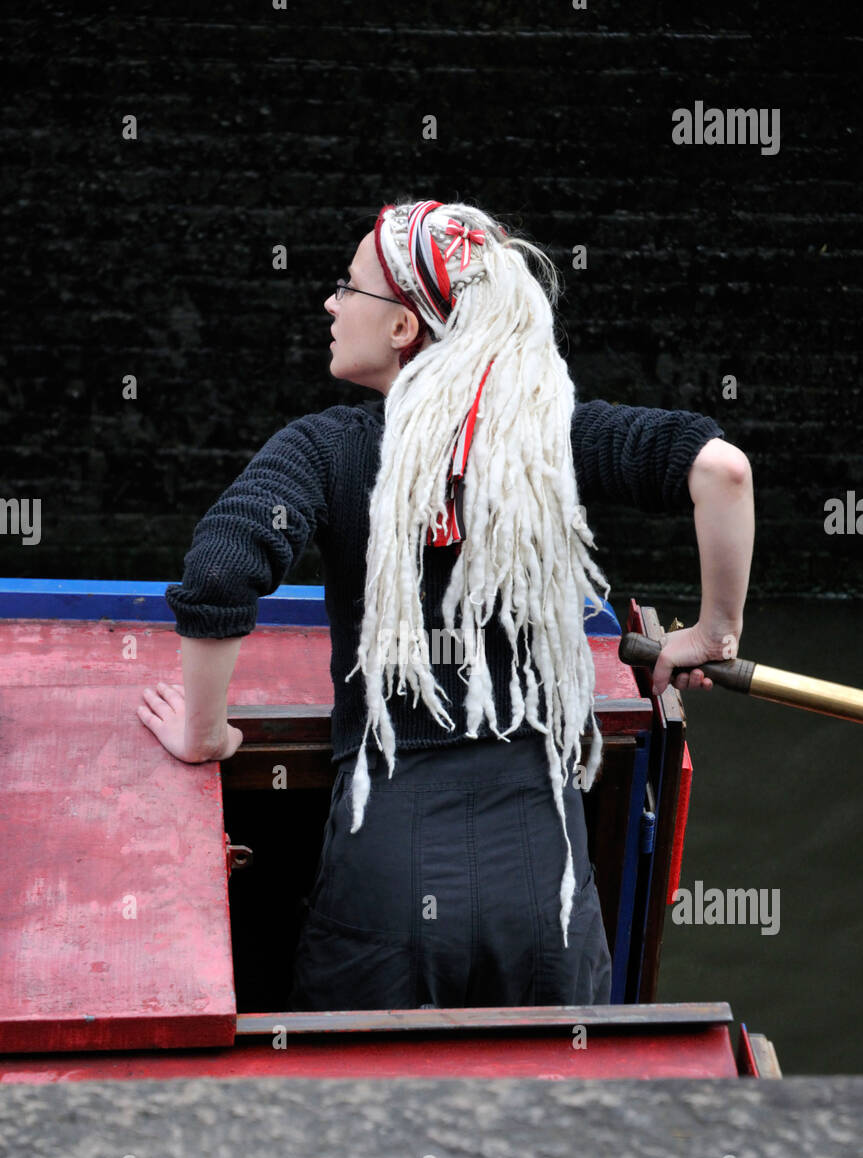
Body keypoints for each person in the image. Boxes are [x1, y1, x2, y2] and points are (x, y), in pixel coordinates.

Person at [138, 196, 754, 1010]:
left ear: (401, 327)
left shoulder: (326, 451)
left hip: (385, 889)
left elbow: (220, 572)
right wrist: (713, 633)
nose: (330, 302)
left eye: (347, 286)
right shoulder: (552, 439)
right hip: (545, 896)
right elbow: (722, 471)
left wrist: (205, 733)